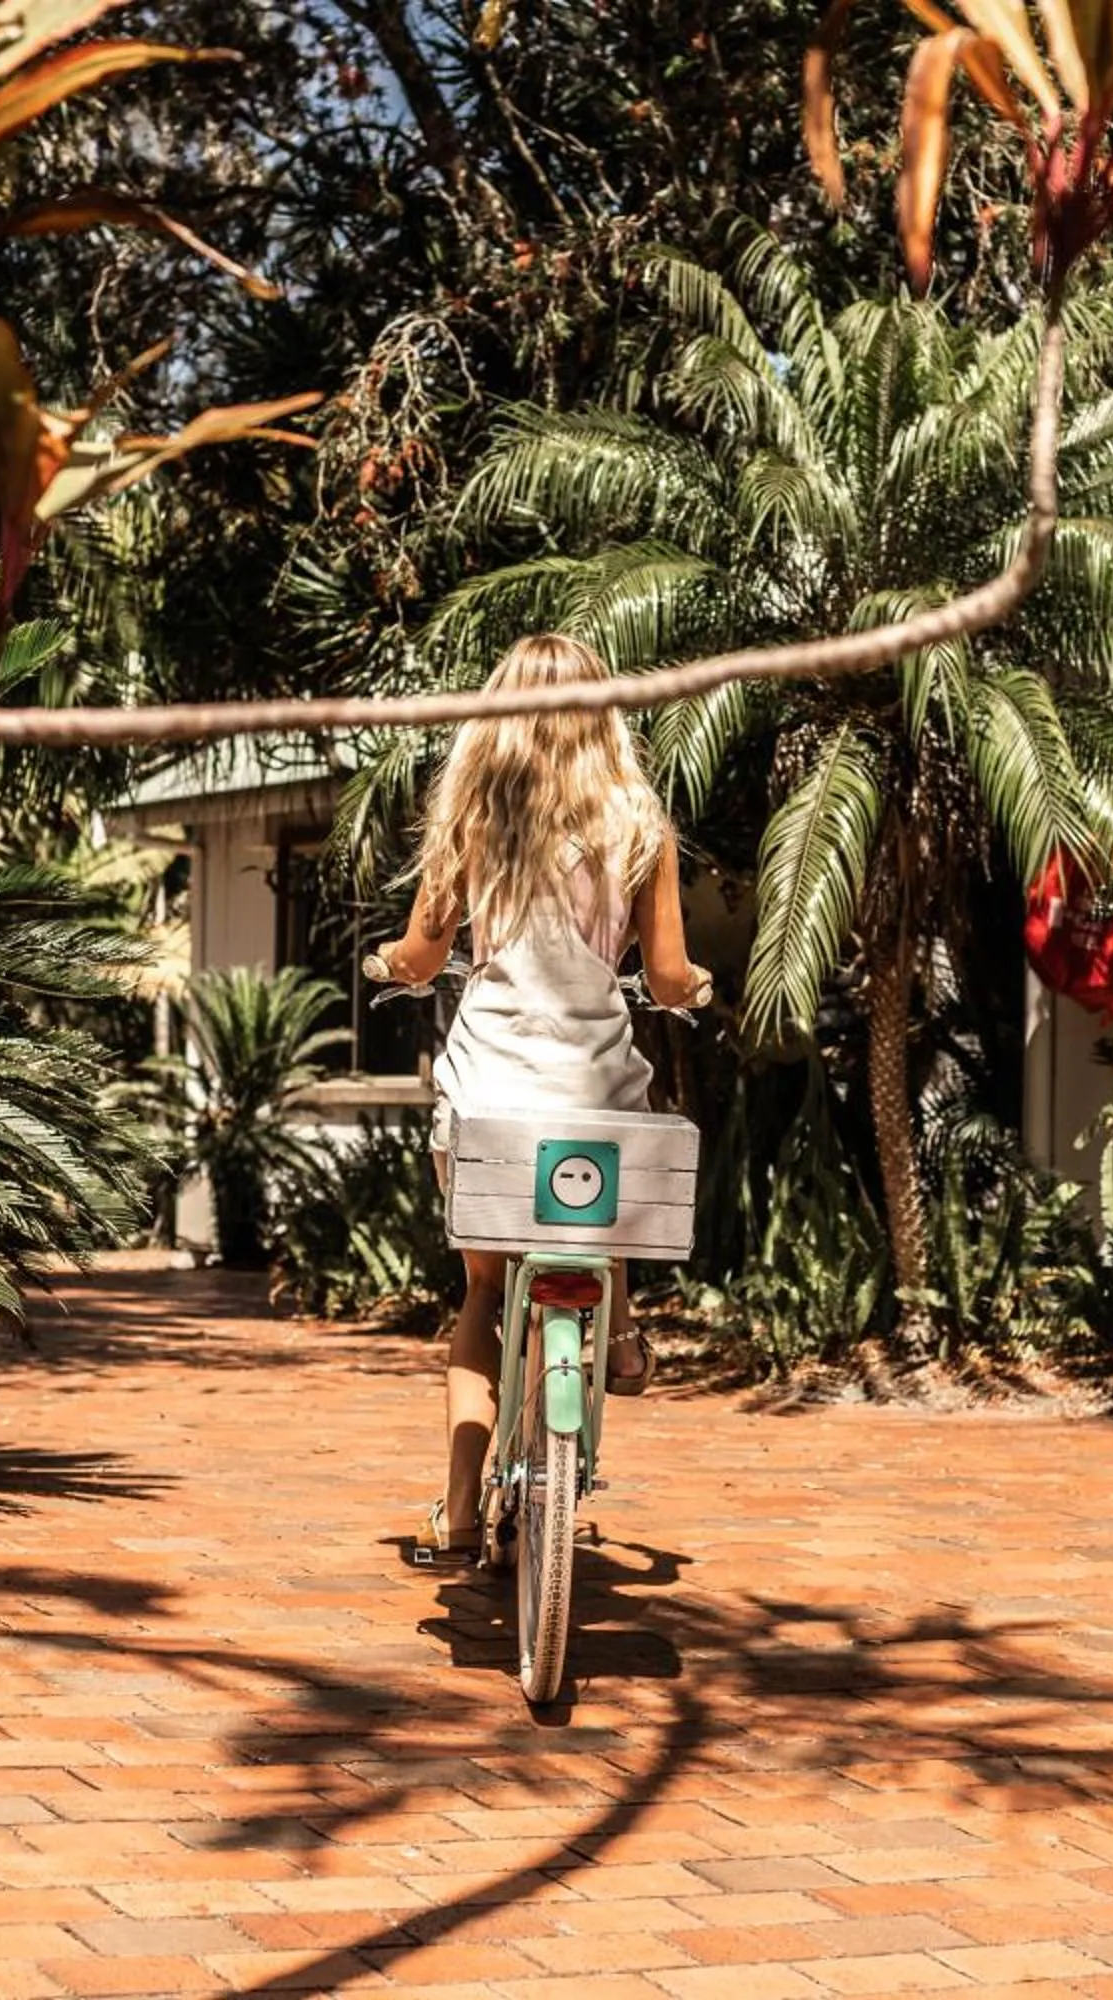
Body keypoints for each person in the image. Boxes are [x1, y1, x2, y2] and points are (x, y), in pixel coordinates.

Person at [370, 634, 713, 1566]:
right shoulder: (639, 823)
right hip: (591, 1079)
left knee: (485, 1287)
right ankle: (627, 1331)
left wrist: (389, 966)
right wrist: (693, 990)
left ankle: (458, 1507)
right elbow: (670, 973)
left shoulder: (475, 816)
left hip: (490, 1085)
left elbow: (424, 955)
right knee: (608, 1169)